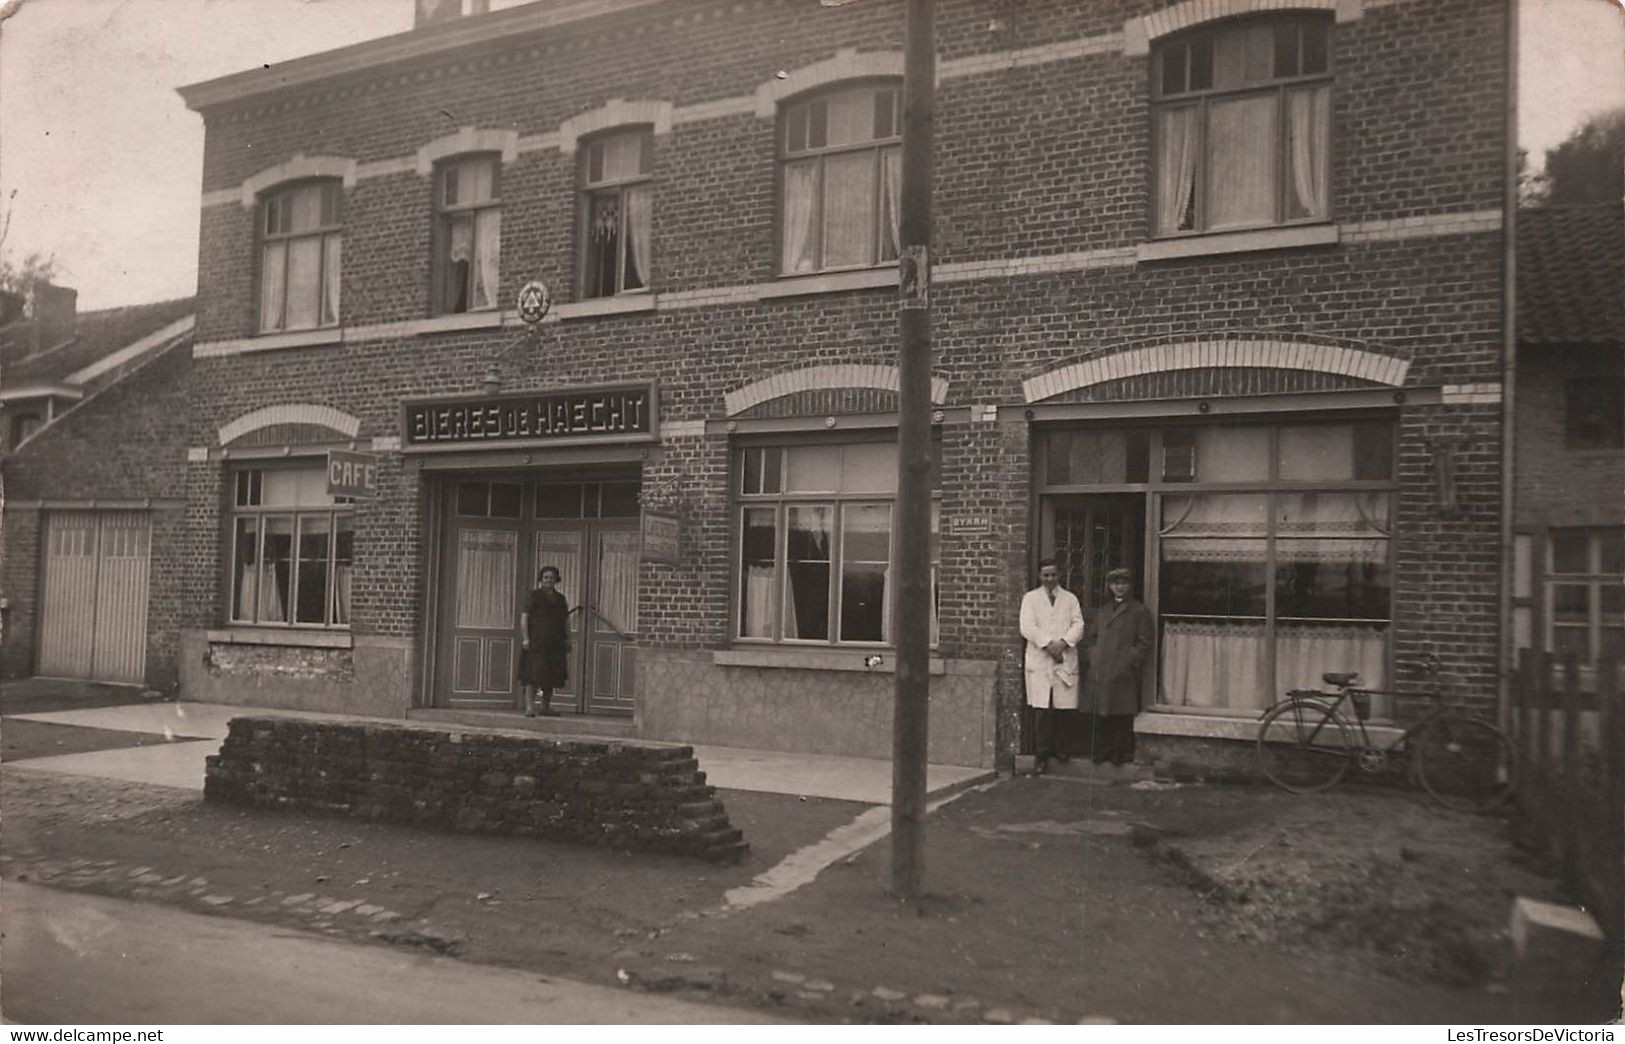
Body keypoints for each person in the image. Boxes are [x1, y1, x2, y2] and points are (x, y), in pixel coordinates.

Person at [1019, 557, 1085, 774]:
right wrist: (1048, 645)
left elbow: (1078, 624)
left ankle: (1062, 750)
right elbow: (1027, 627)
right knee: (1042, 711)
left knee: (1064, 710)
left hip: (1064, 659)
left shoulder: (1070, 599)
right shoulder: (1030, 599)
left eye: (1053, 574)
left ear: (1059, 575)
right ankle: (1041, 755)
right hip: (1040, 659)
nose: (1049, 578)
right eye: (1045, 575)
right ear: (1040, 576)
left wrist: (1063, 643)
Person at [1084, 567, 1154, 766]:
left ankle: (1118, 753)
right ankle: (1101, 751)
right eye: (1116, 584)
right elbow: (1091, 637)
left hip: (1122, 670)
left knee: (1120, 714)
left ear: (1129, 586)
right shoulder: (1104, 610)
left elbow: (1144, 641)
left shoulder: (1138, 610)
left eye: (1123, 583)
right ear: (1110, 586)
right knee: (1101, 713)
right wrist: (1093, 657)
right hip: (1101, 669)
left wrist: (1130, 660)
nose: (1119, 587)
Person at [518, 565, 571, 716]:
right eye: (546, 577)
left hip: (555, 642)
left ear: (556, 580)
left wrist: (568, 638)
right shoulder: (533, 596)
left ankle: (545, 707)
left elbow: (566, 620)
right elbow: (524, 618)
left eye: (552, 578)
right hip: (536, 641)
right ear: (541, 579)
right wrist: (526, 638)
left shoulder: (560, 599)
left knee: (551, 675)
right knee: (532, 675)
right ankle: (529, 707)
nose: (549, 580)